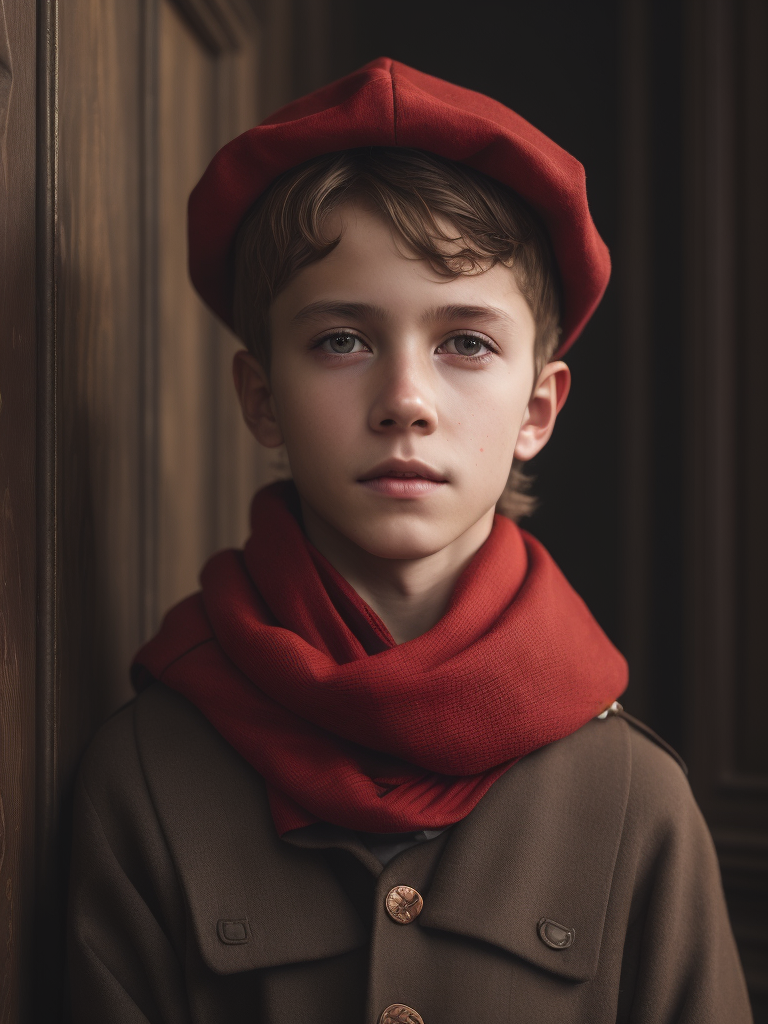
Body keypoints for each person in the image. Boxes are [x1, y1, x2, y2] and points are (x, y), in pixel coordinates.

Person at [68, 58, 752, 1024]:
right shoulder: (146, 773)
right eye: (342, 340)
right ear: (261, 398)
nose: (405, 402)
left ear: (538, 407)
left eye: (465, 342)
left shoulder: (634, 797)